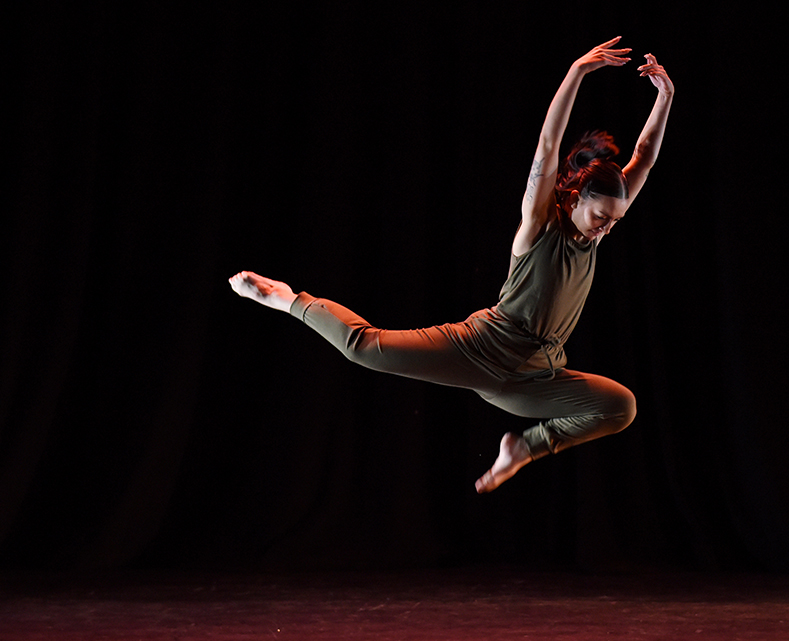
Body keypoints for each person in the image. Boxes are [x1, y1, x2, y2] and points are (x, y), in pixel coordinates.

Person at [229, 37, 673, 493]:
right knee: (364, 348)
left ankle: (523, 449)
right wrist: (577, 71)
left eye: (614, 223)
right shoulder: (540, 225)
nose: (605, 229)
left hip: (535, 376)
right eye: (601, 218)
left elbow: (645, 158)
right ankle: (285, 299)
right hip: (481, 348)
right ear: (577, 199)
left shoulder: (598, 227)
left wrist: (665, 98)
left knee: (621, 406)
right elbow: (547, 146)